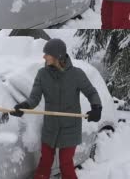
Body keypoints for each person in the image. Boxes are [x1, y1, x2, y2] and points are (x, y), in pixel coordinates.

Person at [10, 39, 102, 179]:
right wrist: (24, 106)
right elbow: (34, 98)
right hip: (50, 127)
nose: (44, 57)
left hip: (70, 126)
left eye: (47, 54)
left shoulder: (76, 74)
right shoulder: (42, 74)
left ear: (57, 56)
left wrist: (96, 107)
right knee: (45, 162)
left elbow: (91, 92)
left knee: (66, 164)